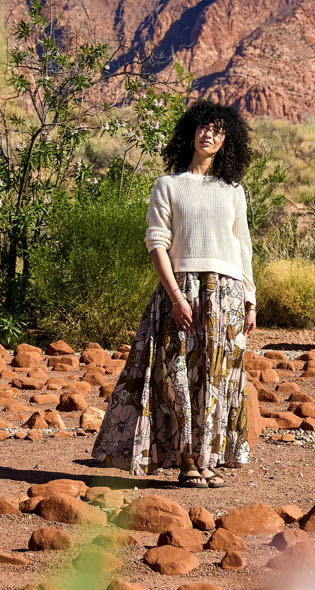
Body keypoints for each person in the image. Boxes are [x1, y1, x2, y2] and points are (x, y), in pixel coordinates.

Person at [91, 100, 256, 486]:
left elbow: (243, 246)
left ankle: (209, 458)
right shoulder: (169, 185)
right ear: (190, 133)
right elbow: (157, 244)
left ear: (225, 139)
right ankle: (186, 460)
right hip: (182, 289)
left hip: (228, 293)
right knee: (177, 375)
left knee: (218, 377)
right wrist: (177, 298)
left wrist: (251, 299)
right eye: (202, 127)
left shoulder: (233, 190)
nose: (208, 134)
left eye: (216, 129)